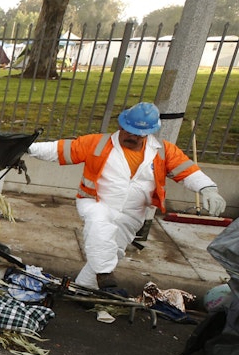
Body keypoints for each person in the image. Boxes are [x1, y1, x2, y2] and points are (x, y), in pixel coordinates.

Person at [26, 101, 227, 289]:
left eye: (140, 134)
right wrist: (24, 147)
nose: (134, 137)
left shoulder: (163, 151)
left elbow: (187, 171)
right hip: (96, 202)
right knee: (99, 227)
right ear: (121, 126)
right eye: (130, 132)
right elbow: (58, 150)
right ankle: (104, 276)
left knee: (114, 251)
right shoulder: (98, 143)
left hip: (133, 212)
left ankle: (82, 290)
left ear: (149, 133)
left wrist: (207, 188)